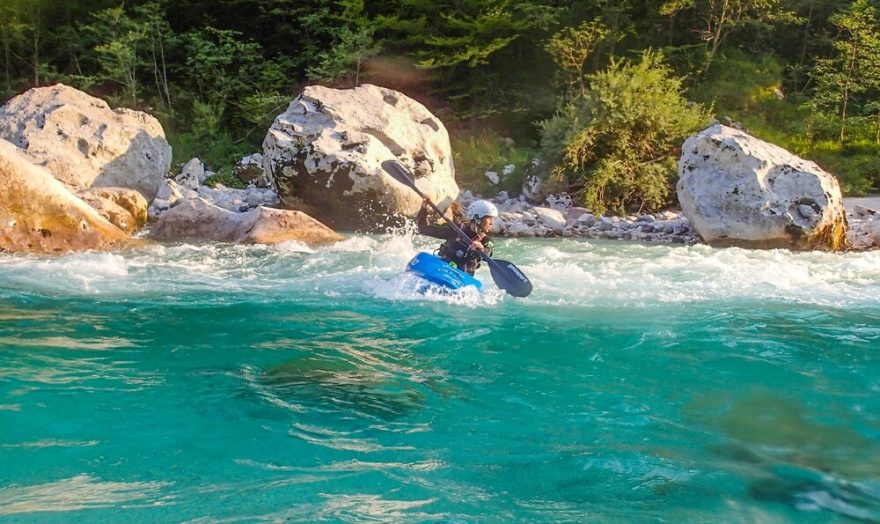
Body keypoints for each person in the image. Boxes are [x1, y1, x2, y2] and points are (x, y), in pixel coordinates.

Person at [417, 198, 498, 275]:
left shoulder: (487, 241)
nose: (491, 223)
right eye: (489, 218)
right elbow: (423, 229)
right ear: (478, 218)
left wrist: (481, 249)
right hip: (441, 267)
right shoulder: (455, 229)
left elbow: (488, 252)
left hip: (461, 278)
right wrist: (424, 208)